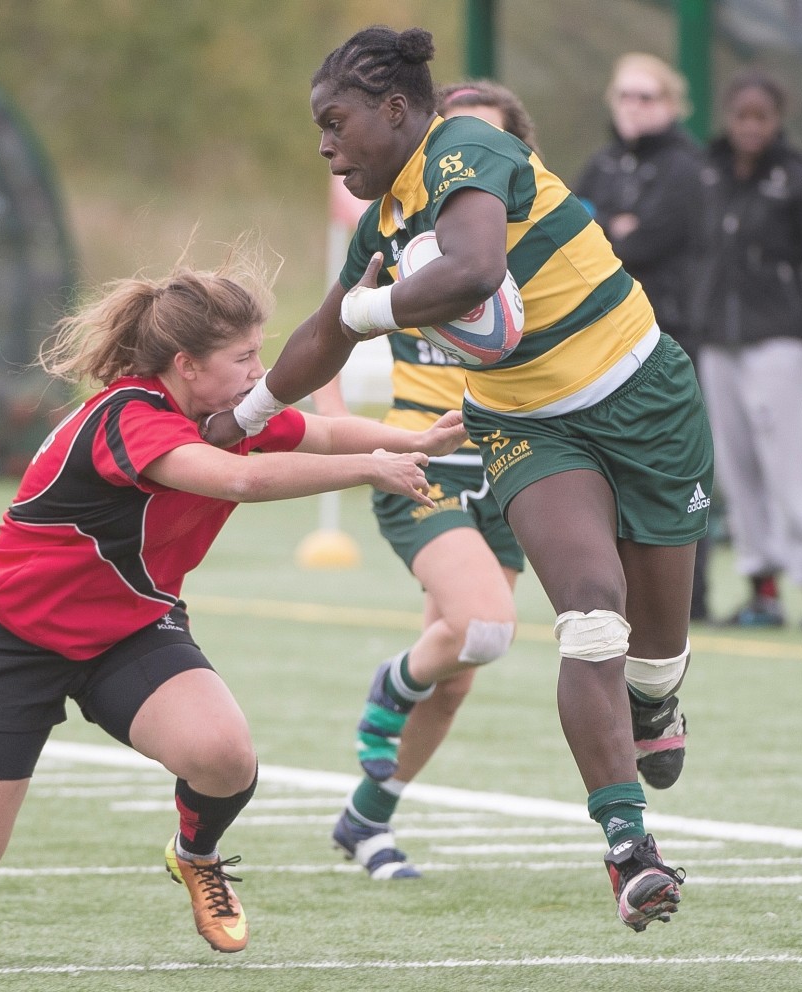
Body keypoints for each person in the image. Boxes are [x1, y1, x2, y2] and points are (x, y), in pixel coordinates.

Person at [0, 246, 470, 964]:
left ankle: (195, 854)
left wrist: (412, 437)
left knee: (225, 757)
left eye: (261, 353)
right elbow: (236, 482)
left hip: (130, 626)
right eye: (244, 358)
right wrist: (372, 469)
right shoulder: (129, 417)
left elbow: (315, 428)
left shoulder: (226, 411)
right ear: (187, 364)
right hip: (14, 639)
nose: (260, 374)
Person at [206, 26, 712, 932]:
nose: (323, 146)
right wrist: (240, 420)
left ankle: (657, 692)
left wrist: (368, 307)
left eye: (336, 122)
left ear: (396, 110)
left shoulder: (471, 146)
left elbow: (474, 269)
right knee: (590, 612)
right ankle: (630, 848)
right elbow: (323, 332)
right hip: (525, 426)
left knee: (655, 646)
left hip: (646, 400)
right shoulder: (385, 219)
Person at [312, 79, 536, 880]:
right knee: (484, 628)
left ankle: (367, 821)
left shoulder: (539, 240)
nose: (466, 160)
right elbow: (333, 330)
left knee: (459, 675)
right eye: (455, 138)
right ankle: (391, 681)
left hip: (512, 464)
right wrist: (336, 428)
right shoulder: (403, 227)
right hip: (425, 461)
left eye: (488, 144)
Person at [574, 53, 711, 621]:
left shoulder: (687, 166)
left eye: (646, 96)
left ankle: (688, 599)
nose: (633, 107)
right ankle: (618, 591)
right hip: (602, 343)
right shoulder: (602, 165)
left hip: (669, 337)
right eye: (625, 95)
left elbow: (650, 240)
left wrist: (615, 231)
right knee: (609, 467)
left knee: (673, 468)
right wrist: (613, 227)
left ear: (671, 104)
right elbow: (576, 234)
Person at [691, 67, 802, 629]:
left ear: (776, 120)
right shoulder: (708, 172)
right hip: (719, 337)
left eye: (760, 117)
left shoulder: (796, 177)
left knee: (790, 465)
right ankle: (762, 588)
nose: (749, 127)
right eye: (741, 116)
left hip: (780, 337)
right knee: (735, 467)